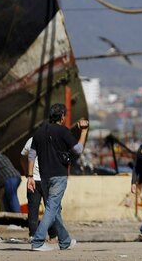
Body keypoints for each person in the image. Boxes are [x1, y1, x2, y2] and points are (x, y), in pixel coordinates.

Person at [27, 103, 89, 252]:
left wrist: (29, 176)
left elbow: (31, 155)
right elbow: (78, 150)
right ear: (62, 116)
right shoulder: (63, 132)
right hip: (59, 175)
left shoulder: (39, 132)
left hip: (43, 176)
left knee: (54, 210)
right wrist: (84, 132)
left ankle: (65, 241)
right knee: (51, 208)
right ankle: (38, 241)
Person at [20, 135, 56, 239]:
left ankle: (33, 236)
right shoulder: (54, 139)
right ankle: (53, 236)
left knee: (33, 209)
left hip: (33, 179)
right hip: (47, 180)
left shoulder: (32, 139)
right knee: (50, 209)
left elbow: (22, 156)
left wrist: (27, 172)